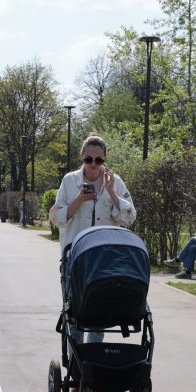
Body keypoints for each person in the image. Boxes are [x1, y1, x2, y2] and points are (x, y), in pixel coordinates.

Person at [50, 134, 137, 349]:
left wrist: (111, 193)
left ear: (105, 160)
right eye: (89, 159)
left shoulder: (115, 182)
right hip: (75, 259)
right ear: (82, 157)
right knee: (75, 315)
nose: (93, 165)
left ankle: (93, 363)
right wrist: (79, 199)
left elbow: (129, 217)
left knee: (99, 316)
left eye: (99, 160)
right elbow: (56, 218)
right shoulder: (70, 181)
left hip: (105, 260)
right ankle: (76, 368)